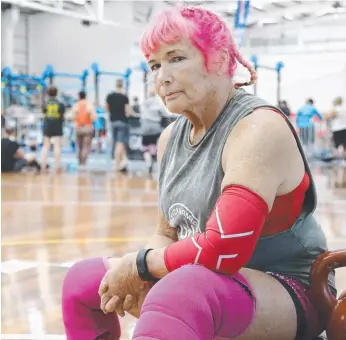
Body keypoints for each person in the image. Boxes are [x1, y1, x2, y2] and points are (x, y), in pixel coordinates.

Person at [62, 6, 336, 340]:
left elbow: (224, 249)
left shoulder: (258, 128)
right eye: (155, 64)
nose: (162, 76)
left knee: (181, 293)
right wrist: (143, 276)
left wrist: (141, 265)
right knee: (81, 281)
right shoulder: (169, 139)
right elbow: (165, 233)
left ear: (219, 60)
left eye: (176, 58)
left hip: (291, 288)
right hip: (205, 277)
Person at [106, 79, 134, 172]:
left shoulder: (109, 96)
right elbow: (128, 111)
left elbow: (106, 108)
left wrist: (112, 113)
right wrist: (133, 114)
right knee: (120, 143)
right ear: (122, 85)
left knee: (116, 142)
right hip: (122, 121)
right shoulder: (124, 97)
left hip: (112, 121)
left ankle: (124, 161)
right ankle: (116, 165)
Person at [140, 88, 168, 175]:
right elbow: (165, 114)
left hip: (145, 126)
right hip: (155, 126)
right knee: (153, 144)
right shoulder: (158, 103)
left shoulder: (144, 103)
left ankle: (148, 161)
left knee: (145, 146)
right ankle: (152, 159)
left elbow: (141, 114)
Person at [41, 86, 65, 172]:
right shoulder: (60, 103)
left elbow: (43, 112)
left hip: (47, 125)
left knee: (46, 146)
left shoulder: (46, 103)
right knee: (57, 146)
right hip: (57, 125)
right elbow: (62, 114)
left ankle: (43, 165)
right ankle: (57, 165)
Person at [71, 91, 96, 167]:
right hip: (88, 127)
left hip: (79, 128)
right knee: (85, 146)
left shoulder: (76, 105)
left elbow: (73, 117)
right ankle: (84, 163)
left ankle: (80, 162)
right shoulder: (89, 105)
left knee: (80, 147)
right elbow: (94, 118)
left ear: (79, 96)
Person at [329, 96, 346, 161]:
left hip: (337, 129)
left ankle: (336, 160)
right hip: (344, 128)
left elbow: (329, 116)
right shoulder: (344, 108)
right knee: (345, 146)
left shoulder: (335, 109)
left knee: (336, 146)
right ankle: (344, 161)